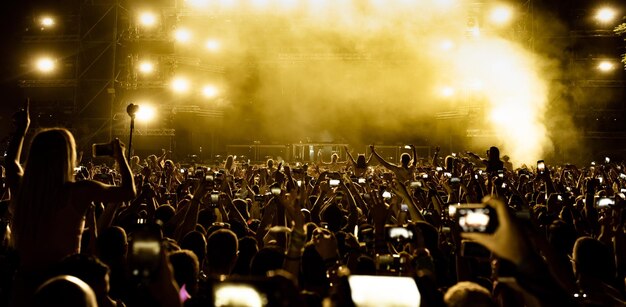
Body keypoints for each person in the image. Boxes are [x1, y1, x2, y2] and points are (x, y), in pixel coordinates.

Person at [5, 101, 136, 304]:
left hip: (24, 286)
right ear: (68, 157)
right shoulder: (78, 192)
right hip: (63, 288)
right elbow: (128, 192)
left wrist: (21, 130)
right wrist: (120, 157)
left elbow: (11, 163)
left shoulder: (24, 191)